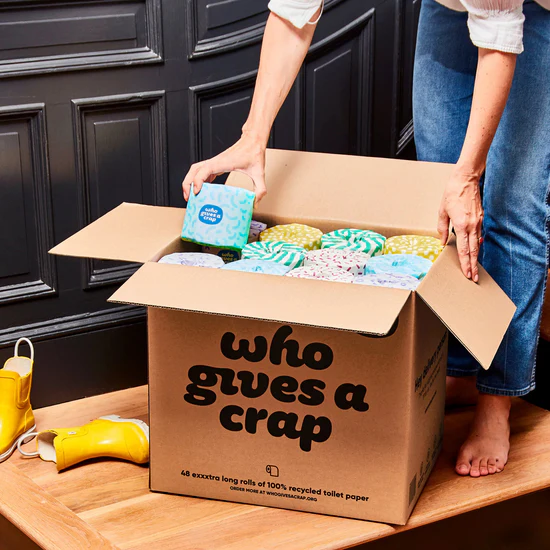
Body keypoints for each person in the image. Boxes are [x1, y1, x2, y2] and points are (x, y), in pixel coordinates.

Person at [182, 0, 550, 478]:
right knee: (437, 187)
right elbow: (292, 14)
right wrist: (252, 138)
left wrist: (468, 177)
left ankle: (497, 400)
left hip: (528, 12)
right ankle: (461, 369)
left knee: (512, 201)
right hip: (451, 7)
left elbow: (499, 36)